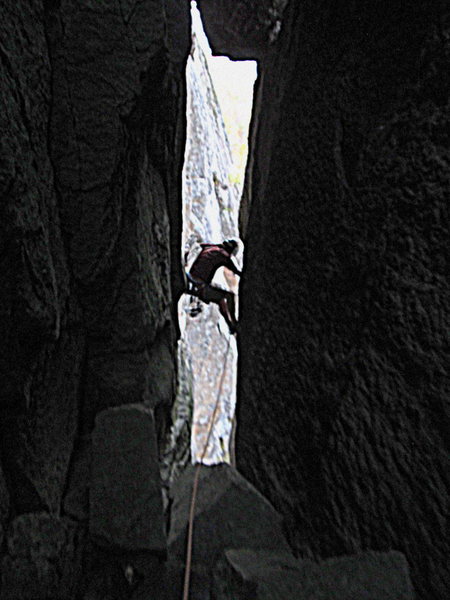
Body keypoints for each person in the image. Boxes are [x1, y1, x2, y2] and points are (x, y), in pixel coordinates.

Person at [187, 239, 241, 334]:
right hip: (200, 286)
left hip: (192, 280)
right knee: (229, 296)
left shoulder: (209, 248)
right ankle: (234, 322)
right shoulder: (223, 255)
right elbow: (237, 271)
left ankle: (230, 325)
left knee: (220, 300)